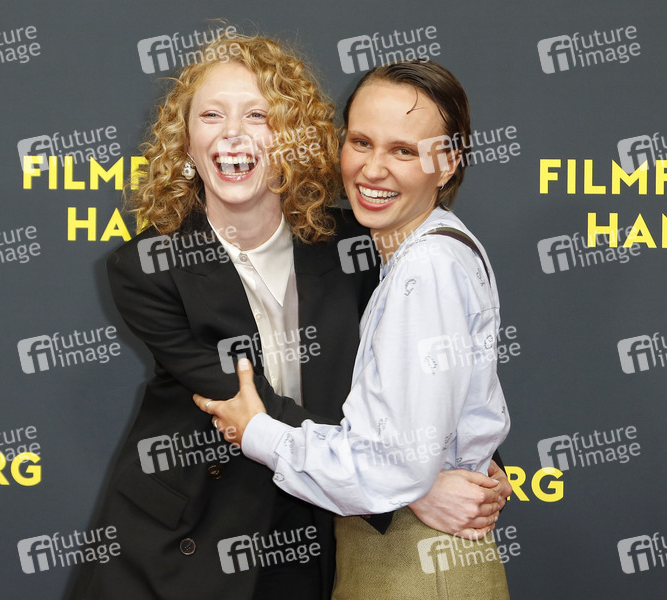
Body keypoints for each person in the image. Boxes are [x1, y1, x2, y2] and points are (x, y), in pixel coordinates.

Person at [71, 35, 507, 600]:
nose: (232, 134)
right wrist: (413, 486)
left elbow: (418, 365)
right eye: (211, 115)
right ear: (186, 143)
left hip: (312, 533)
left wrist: (470, 461)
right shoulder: (147, 267)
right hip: (187, 539)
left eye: (257, 115)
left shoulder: (358, 243)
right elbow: (244, 405)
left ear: (292, 137)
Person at [194, 59, 511, 599]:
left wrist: (257, 431)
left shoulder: (426, 268)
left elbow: (389, 469)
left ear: (446, 163)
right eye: (361, 142)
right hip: (404, 555)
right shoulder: (424, 251)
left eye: (403, 151)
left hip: (415, 566)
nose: (373, 169)